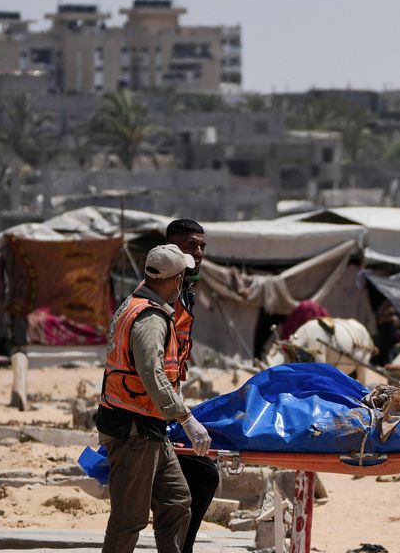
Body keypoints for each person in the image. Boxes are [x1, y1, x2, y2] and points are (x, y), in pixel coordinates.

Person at [98, 244, 211, 553]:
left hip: (149, 427)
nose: (183, 283)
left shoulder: (136, 302)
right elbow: (152, 374)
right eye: (181, 277)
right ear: (172, 279)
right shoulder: (150, 319)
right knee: (129, 518)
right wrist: (187, 419)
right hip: (133, 429)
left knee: (176, 501)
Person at [165, 219, 220, 553]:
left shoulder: (184, 291)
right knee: (201, 476)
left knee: (199, 477)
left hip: (168, 399)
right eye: (190, 246)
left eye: (201, 246)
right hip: (148, 408)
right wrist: (184, 417)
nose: (198, 253)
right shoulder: (160, 295)